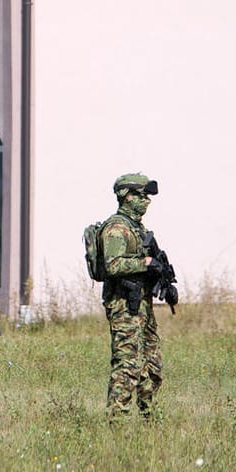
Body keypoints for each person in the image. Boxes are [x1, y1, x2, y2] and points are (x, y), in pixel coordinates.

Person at [100, 172, 167, 419]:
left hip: (142, 306)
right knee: (127, 365)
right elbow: (113, 265)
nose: (146, 201)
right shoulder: (116, 229)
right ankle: (116, 421)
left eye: (147, 197)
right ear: (126, 197)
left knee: (152, 366)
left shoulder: (138, 229)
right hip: (124, 306)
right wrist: (146, 262)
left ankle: (150, 417)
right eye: (141, 196)